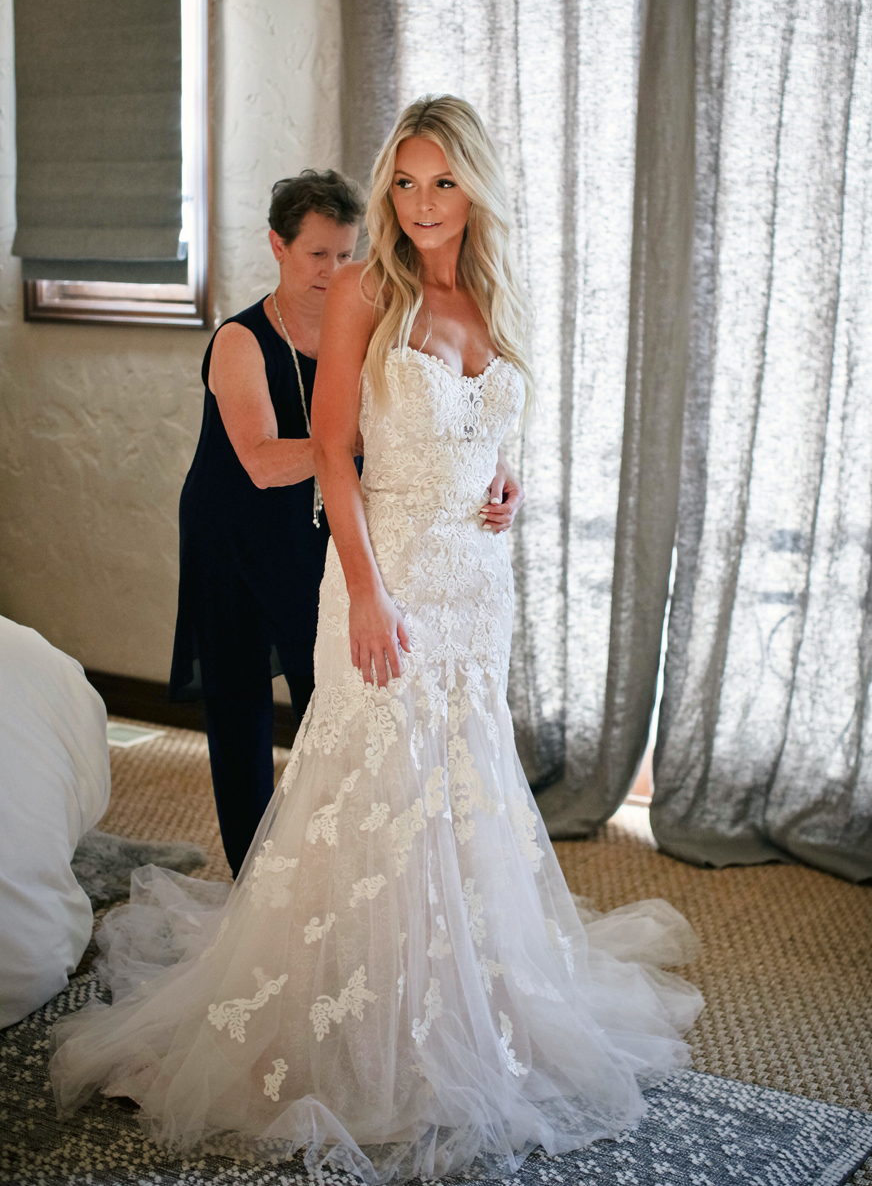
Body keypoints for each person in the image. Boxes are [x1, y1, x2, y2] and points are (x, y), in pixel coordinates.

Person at [50, 97, 702, 1183]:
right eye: (403, 182)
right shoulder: (366, 293)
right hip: (386, 573)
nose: (419, 203)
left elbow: (490, 423)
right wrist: (364, 592)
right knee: (370, 784)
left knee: (461, 779)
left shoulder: (493, 294)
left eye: (439, 181)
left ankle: (465, 991)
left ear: (474, 187)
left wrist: (505, 479)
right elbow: (339, 455)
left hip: (475, 584)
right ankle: (353, 1009)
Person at [169, 171, 363, 876]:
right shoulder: (239, 341)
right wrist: (357, 442)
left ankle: (333, 869)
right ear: (277, 246)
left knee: (332, 696)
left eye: (346, 254)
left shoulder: (364, 330)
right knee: (241, 703)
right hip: (234, 532)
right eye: (318, 254)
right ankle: (253, 878)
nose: (335, 271)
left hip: (316, 530)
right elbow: (258, 460)